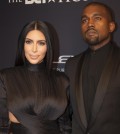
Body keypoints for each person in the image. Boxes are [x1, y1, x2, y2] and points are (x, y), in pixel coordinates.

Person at [0, 20, 71, 134]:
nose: (34, 49)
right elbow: (2, 126)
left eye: (41, 43)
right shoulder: (6, 77)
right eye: (29, 42)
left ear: (48, 46)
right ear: (22, 44)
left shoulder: (62, 80)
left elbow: (65, 126)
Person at [65, 2, 120, 134]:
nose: (90, 24)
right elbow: (66, 113)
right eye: (85, 20)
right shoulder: (71, 64)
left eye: (97, 18)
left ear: (111, 26)